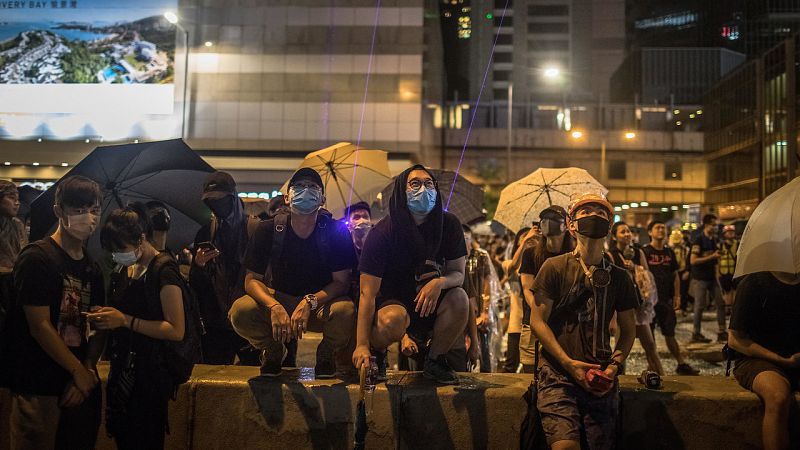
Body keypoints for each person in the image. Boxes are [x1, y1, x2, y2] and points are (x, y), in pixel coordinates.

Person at [530, 193, 637, 450]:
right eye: (586, 211)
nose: (594, 216)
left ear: (610, 225)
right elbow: (537, 322)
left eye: (601, 213)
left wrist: (613, 366)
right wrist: (568, 363)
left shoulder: (620, 277)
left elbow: (629, 328)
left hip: (600, 377)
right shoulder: (553, 267)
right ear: (571, 224)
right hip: (557, 375)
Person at [6, 176, 105, 450]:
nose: (89, 218)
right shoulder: (36, 258)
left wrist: (86, 369)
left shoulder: (92, 268)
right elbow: (39, 326)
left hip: (78, 387)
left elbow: (97, 324)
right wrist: (79, 371)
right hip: (39, 385)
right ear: (58, 211)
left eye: (94, 210)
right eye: (79, 210)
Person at [229, 168, 357, 378]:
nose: (305, 191)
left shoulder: (336, 232)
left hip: (319, 304)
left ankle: (327, 352)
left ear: (322, 199)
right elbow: (251, 281)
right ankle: (271, 348)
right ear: (287, 198)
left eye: (313, 187)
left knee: (346, 311)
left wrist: (310, 302)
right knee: (240, 312)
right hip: (279, 298)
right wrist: (274, 306)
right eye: (299, 187)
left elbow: (341, 283)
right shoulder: (267, 229)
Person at [352, 165, 470, 384]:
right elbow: (367, 293)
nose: (423, 189)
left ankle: (435, 360)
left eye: (428, 184)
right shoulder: (383, 233)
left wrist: (439, 283)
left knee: (460, 299)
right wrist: (362, 345)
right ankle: (378, 352)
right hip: (393, 303)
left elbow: (458, 274)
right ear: (401, 191)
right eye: (415, 183)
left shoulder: (450, 225)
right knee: (392, 320)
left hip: (431, 302)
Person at [90, 204, 186, 450]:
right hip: (124, 371)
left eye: (120, 248)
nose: (116, 255)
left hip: (149, 377)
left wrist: (124, 320)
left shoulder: (164, 270)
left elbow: (176, 329)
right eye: (111, 250)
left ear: (141, 238)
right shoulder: (127, 268)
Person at [190, 172, 259, 365]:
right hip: (216, 324)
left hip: (247, 320)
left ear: (232, 198)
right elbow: (197, 284)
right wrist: (199, 264)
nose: (216, 206)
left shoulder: (254, 229)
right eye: (210, 202)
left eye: (220, 200)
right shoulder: (205, 233)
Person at [728, 271, 800, 450]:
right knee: (777, 396)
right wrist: (781, 359)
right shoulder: (754, 282)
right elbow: (735, 339)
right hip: (757, 360)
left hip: (795, 357)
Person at [519, 205, 574, 373]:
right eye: (544, 219)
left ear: (566, 225)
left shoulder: (573, 254)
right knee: (530, 368)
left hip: (566, 323)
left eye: (554, 219)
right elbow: (527, 287)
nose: (548, 223)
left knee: (562, 367)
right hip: (534, 322)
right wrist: (539, 312)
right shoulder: (530, 254)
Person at [643, 221, 700, 375]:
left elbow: (675, 275)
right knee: (650, 337)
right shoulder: (644, 252)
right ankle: (652, 367)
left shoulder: (669, 253)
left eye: (663, 228)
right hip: (649, 302)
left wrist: (677, 295)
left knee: (670, 332)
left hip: (665, 300)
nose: (661, 229)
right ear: (650, 232)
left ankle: (681, 364)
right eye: (658, 227)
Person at [608, 221, 664, 375]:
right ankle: (618, 378)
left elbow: (648, 275)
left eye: (628, 231)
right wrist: (612, 317)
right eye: (622, 232)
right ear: (614, 237)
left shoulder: (638, 253)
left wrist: (635, 269)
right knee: (621, 348)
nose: (627, 234)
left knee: (650, 345)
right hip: (623, 307)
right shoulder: (610, 255)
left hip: (639, 304)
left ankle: (662, 377)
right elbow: (611, 285)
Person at [0, 180, 27, 385]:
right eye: (11, 198)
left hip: (12, 280)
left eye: (18, 199)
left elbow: (22, 251)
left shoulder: (17, 224)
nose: (16, 204)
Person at [501, 227, 535, 372]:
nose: (529, 240)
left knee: (532, 366)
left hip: (533, 321)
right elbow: (514, 266)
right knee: (511, 365)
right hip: (517, 322)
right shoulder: (509, 263)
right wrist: (527, 240)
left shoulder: (539, 264)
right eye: (524, 238)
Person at [462, 225, 495, 372]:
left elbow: (487, 284)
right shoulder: (453, 259)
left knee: (482, 355)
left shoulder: (480, 256)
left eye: (467, 238)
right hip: (460, 314)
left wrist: (485, 311)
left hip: (479, 313)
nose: (464, 242)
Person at [690, 214, 725, 343]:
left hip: (712, 278)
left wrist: (717, 274)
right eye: (713, 225)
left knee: (720, 303)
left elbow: (716, 259)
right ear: (706, 225)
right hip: (701, 278)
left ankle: (722, 331)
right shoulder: (698, 240)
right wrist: (712, 256)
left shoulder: (713, 240)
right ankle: (696, 333)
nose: (715, 227)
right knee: (699, 306)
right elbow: (693, 260)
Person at [669, 229, 691, 315]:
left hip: (683, 272)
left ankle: (683, 308)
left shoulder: (686, 249)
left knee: (684, 292)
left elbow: (689, 261)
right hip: (673, 273)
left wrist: (688, 271)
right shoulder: (669, 250)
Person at [717, 224, 739, 312]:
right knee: (726, 291)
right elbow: (717, 259)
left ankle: (734, 308)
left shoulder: (738, 244)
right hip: (724, 272)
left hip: (735, 271)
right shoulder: (720, 245)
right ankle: (727, 308)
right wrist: (717, 272)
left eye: (732, 232)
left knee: (735, 290)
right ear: (724, 234)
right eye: (728, 232)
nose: (730, 234)